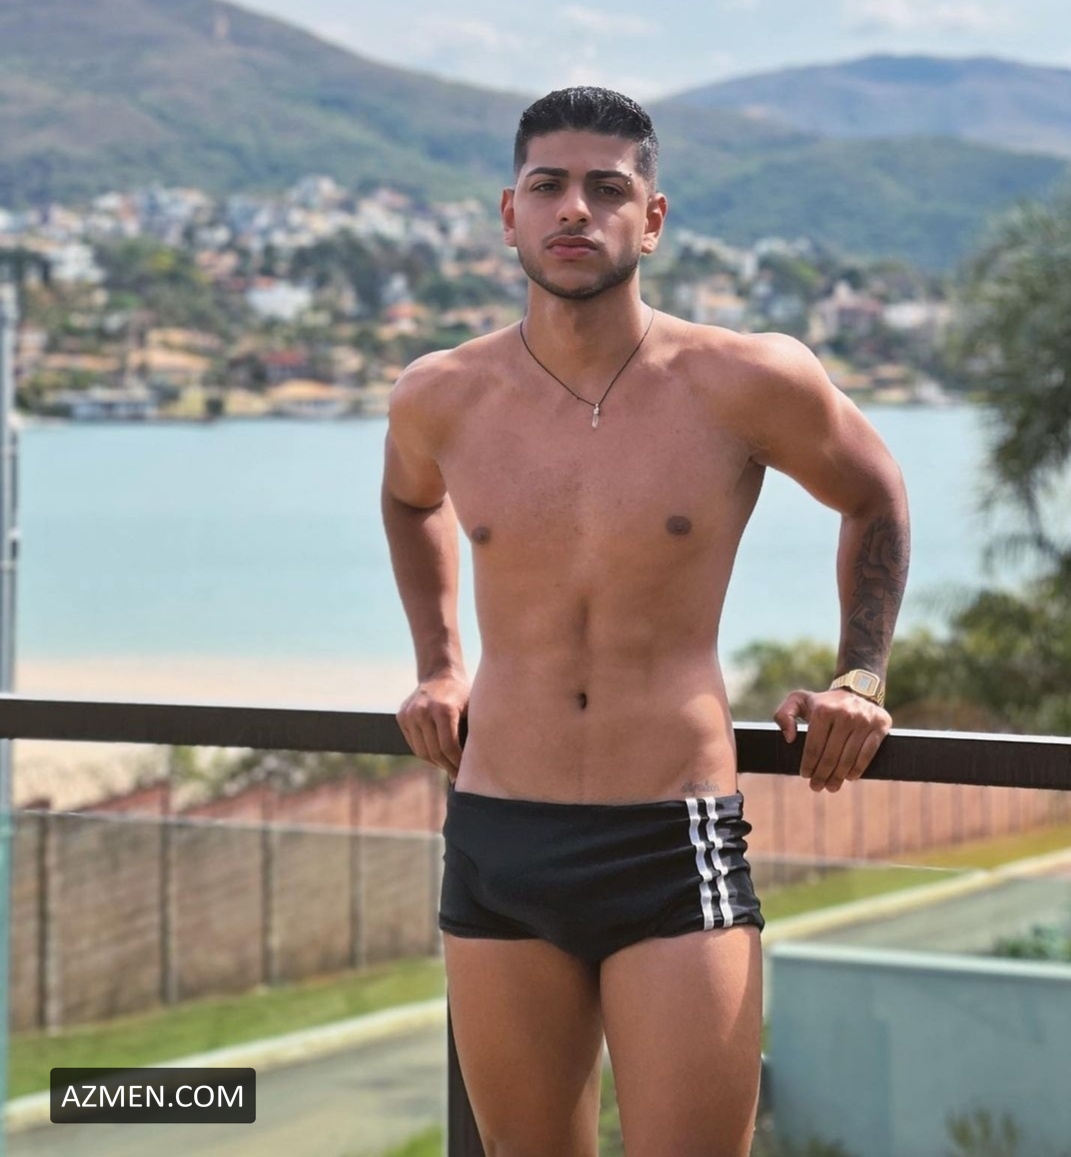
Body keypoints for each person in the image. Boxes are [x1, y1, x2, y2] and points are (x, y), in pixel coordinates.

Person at [382, 86, 909, 1157]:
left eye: (607, 188)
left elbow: (874, 493)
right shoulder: (442, 394)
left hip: (672, 839)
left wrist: (859, 675)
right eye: (547, 186)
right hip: (498, 833)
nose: (575, 208)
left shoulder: (744, 379)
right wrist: (439, 663)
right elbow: (407, 500)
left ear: (652, 218)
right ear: (510, 214)